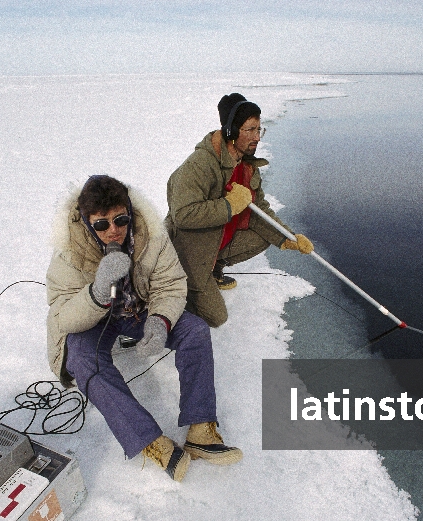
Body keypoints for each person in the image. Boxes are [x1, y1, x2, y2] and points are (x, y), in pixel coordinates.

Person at [45, 175, 242, 482]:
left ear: (130, 212)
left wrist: (160, 320)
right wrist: (97, 292)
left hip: (139, 308)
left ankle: (201, 428)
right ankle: (148, 439)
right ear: (86, 223)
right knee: (83, 359)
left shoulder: (151, 235)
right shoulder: (69, 254)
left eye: (120, 220)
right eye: (102, 224)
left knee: (195, 331)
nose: (114, 231)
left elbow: (171, 283)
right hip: (97, 318)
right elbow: (63, 318)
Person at [166, 93, 313, 328]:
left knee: (265, 236)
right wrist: (229, 206)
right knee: (216, 317)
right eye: (250, 130)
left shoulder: (246, 164)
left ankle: (214, 270)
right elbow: (182, 215)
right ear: (231, 132)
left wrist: (288, 237)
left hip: (216, 243)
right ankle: (176, 292)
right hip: (190, 252)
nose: (257, 137)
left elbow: (259, 209)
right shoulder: (200, 165)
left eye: (259, 129)